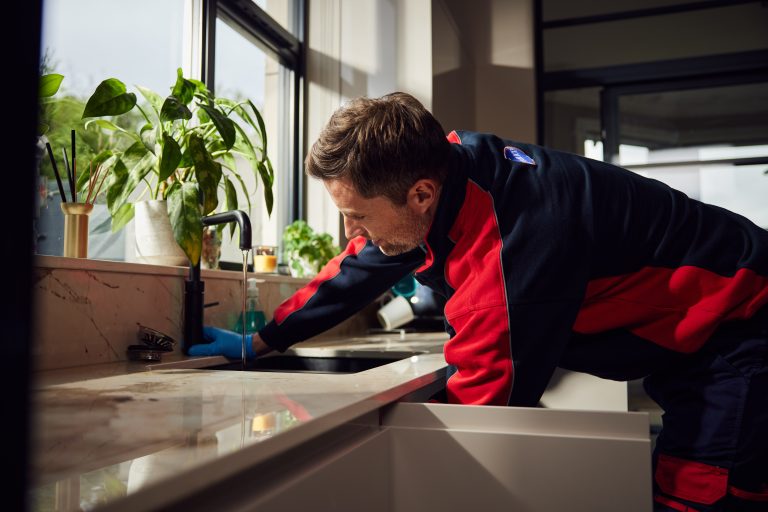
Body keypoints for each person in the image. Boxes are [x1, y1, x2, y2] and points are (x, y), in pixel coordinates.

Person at [189, 91, 768, 511]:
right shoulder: (444, 172)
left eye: (355, 215)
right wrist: (261, 341)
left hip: (739, 324)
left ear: (420, 195)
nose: (350, 233)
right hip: (683, 340)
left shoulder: (512, 238)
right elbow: (358, 266)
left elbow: (478, 414)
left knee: (703, 495)